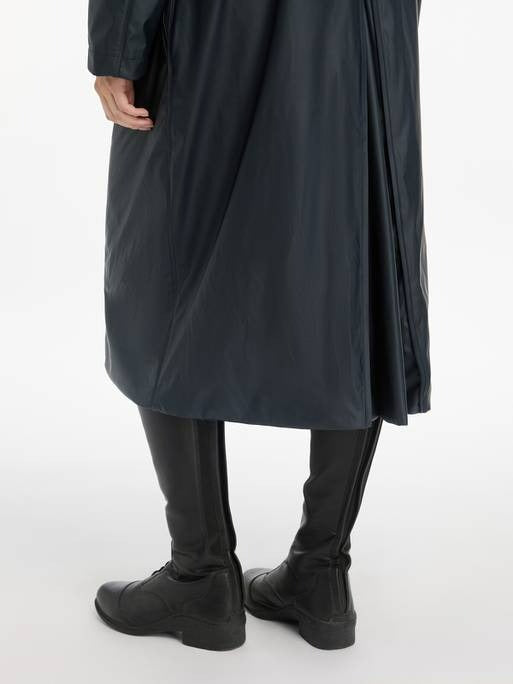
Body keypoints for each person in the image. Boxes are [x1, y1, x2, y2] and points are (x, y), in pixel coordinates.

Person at [88, 0, 430, 651]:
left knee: (162, 277)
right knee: (354, 276)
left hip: (220, 30)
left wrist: (117, 46)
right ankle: (320, 574)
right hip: (364, 33)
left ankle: (202, 576)